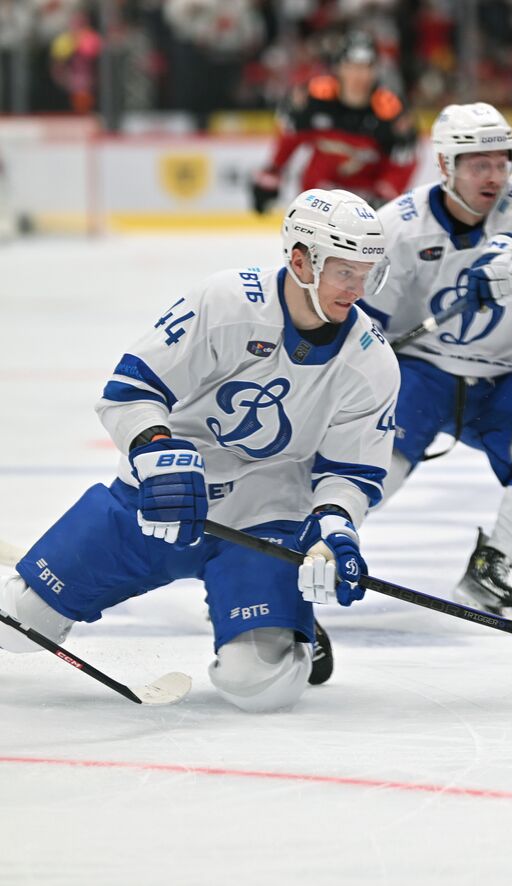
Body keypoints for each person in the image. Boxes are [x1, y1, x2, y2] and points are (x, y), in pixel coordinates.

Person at [0, 189, 400, 712]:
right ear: (301, 260)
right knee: (20, 625)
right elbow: (129, 392)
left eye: (367, 271)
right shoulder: (226, 302)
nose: (359, 287)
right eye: (345, 271)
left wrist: (335, 528)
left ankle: (290, 628)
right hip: (157, 506)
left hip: (263, 523)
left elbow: (351, 470)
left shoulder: (371, 361)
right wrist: (156, 453)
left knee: (260, 688)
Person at [359, 103, 512, 623]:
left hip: (508, 378)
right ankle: (296, 549)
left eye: (502, 162)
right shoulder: (400, 226)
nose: (494, 176)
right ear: (446, 166)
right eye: (478, 164)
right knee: (373, 471)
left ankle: (492, 565)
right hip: (419, 372)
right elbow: (360, 324)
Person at [250, 32, 417, 214]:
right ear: (339, 67)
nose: (358, 75)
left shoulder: (390, 110)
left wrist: (387, 193)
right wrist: (273, 172)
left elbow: (404, 160)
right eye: (351, 66)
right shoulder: (315, 97)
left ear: (375, 70)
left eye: (365, 67)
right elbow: (290, 135)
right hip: (318, 199)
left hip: (366, 204)